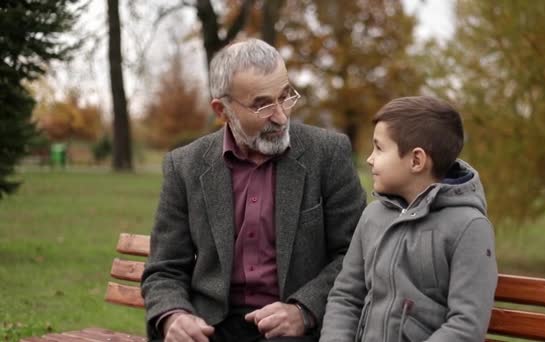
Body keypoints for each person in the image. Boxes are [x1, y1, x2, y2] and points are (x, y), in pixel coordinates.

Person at [141, 38, 367, 342]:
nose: (281, 116)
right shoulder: (185, 165)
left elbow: (355, 255)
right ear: (222, 110)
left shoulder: (327, 154)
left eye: (285, 97)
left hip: (296, 330)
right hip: (211, 327)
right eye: (262, 104)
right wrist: (173, 316)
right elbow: (164, 269)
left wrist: (304, 310)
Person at [319, 96, 498, 342]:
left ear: (416, 160)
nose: (370, 159)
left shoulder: (469, 227)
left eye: (379, 148)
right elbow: (345, 297)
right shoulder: (373, 216)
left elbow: (466, 325)